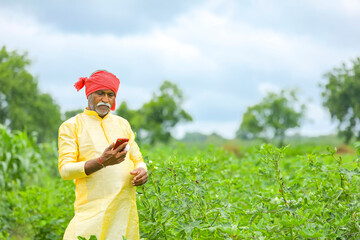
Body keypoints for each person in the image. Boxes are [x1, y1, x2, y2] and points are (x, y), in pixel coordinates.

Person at [58, 70, 148, 240]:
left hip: (123, 213)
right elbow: (65, 170)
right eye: (100, 93)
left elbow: (138, 159)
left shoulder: (122, 124)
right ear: (89, 93)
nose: (106, 100)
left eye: (111, 95)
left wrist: (143, 170)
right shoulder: (71, 126)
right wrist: (101, 161)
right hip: (91, 212)